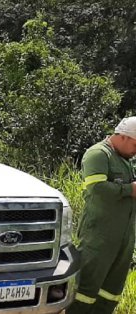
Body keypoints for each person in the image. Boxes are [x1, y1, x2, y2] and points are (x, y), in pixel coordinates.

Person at [67, 117, 136, 314]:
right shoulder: (98, 154)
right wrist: (129, 190)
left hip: (123, 239)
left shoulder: (124, 160)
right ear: (123, 136)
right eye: (135, 144)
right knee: (86, 290)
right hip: (99, 238)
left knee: (111, 292)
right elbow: (97, 188)